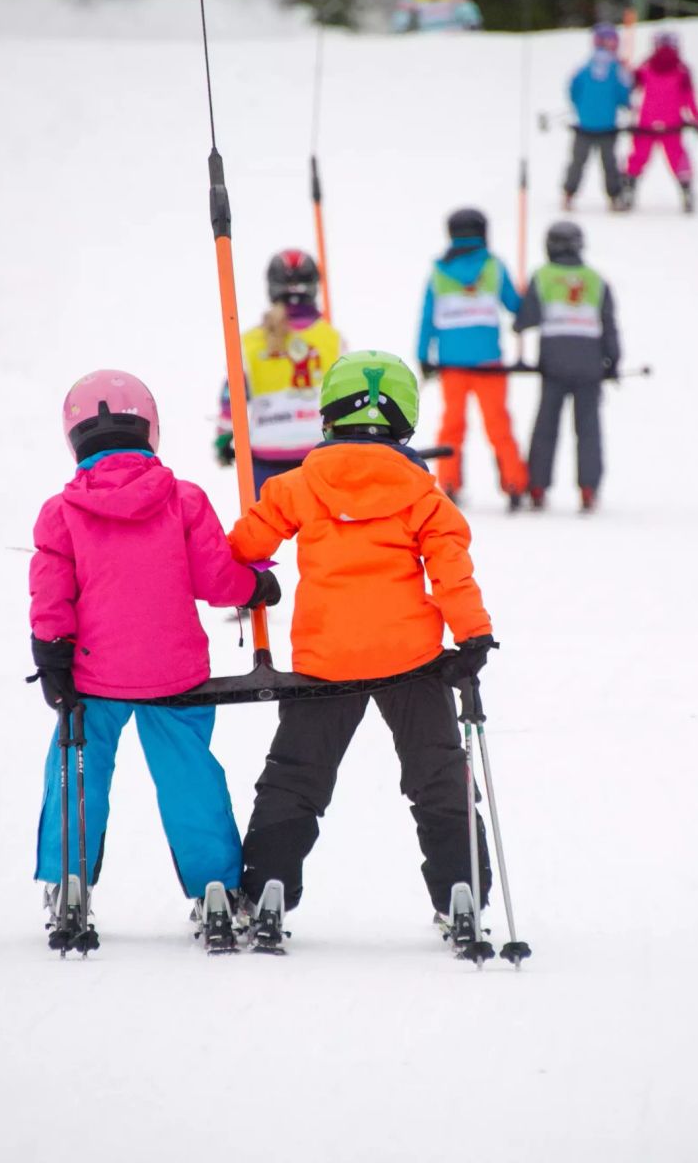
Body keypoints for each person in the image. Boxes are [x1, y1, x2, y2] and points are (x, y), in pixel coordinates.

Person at [226, 351, 496, 948]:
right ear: (405, 420)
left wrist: (253, 572)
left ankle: (268, 881)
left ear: (328, 414)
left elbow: (244, 545)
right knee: (437, 776)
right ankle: (462, 888)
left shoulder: (298, 485)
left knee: (296, 777)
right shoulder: (424, 495)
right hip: (411, 660)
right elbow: (451, 570)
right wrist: (472, 636)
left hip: (327, 662)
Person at [28, 369, 280, 940]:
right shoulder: (184, 499)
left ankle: (68, 879)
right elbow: (217, 579)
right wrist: (255, 587)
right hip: (174, 672)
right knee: (189, 774)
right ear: (150, 431)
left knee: (76, 769)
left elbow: (50, 596)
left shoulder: (60, 512)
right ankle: (216, 886)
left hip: (93, 673)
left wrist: (52, 655)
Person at [417, 207, 528, 508]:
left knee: (452, 425)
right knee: (499, 425)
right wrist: (525, 304)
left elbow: (427, 318)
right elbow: (516, 307)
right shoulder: (494, 267)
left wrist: (423, 356)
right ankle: (515, 482)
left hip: (452, 364)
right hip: (489, 363)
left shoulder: (439, 272)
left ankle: (449, 482)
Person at [513, 223, 621, 513]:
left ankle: (537, 485)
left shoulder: (543, 276)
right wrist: (613, 362)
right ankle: (588, 487)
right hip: (590, 364)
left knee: (546, 426)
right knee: (588, 428)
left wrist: (519, 321)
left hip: (554, 364)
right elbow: (609, 325)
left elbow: (526, 319)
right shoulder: (595, 280)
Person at [215, 249, 341, 496]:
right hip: (318, 451)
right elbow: (344, 393)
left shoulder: (251, 341)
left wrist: (224, 436)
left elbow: (232, 394)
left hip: (267, 454)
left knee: (264, 526)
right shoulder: (330, 338)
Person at [621, 30, 698, 213]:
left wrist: (626, 75)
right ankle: (687, 191)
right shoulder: (682, 70)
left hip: (646, 123)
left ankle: (628, 189)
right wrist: (697, 119)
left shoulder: (645, 67)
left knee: (637, 158)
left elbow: (629, 90)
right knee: (678, 159)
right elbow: (689, 98)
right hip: (671, 124)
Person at [562, 23, 632, 211]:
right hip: (607, 127)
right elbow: (624, 96)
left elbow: (573, 90)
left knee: (577, 162)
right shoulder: (617, 69)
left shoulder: (585, 66)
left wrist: (580, 108)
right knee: (610, 164)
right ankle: (615, 196)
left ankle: (569, 194)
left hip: (584, 125)